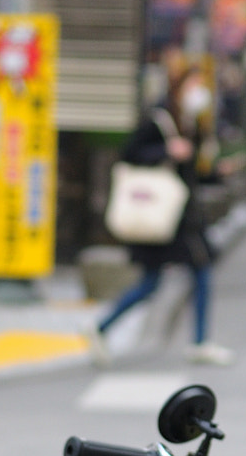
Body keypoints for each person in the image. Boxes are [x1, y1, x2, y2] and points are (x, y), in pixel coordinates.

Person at [93, 70, 232, 366]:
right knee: (185, 275)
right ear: (178, 89)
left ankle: (101, 328)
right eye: (193, 86)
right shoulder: (160, 122)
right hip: (169, 218)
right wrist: (165, 150)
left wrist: (218, 173)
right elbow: (130, 154)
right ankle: (198, 342)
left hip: (180, 217)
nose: (199, 93)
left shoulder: (193, 126)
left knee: (167, 279)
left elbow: (192, 173)